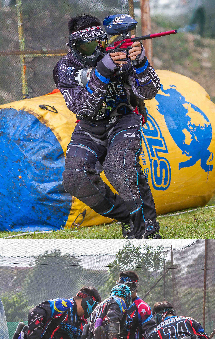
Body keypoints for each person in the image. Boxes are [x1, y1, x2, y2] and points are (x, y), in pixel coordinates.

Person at [53, 14, 162, 239]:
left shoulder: (118, 54)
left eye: (99, 43)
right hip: (88, 127)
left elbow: (149, 92)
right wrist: (103, 71)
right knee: (75, 178)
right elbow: (83, 108)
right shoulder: (65, 68)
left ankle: (146, 229)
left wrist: (140, 62)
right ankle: (130, 217)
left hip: (123, 120)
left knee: (119, 167)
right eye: (87, 46)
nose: (94, 50)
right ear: (74, 46)